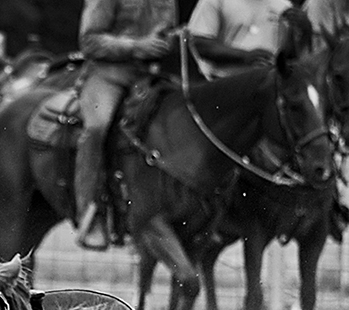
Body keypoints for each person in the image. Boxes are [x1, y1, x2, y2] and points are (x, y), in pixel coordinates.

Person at [74, 0, 178, 251]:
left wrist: (172, 42)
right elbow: (89, 40)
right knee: (97, 127)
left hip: (149, 77)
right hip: (107, 74)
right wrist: (137, 46)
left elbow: (168, 37)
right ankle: (89, 212)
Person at [188, 0, 292, 79]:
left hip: (267, 84)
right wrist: (244, 56)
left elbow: (292, 54)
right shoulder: (215, 1)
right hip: (223, 84)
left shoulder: (284, 6)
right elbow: (201, 44)